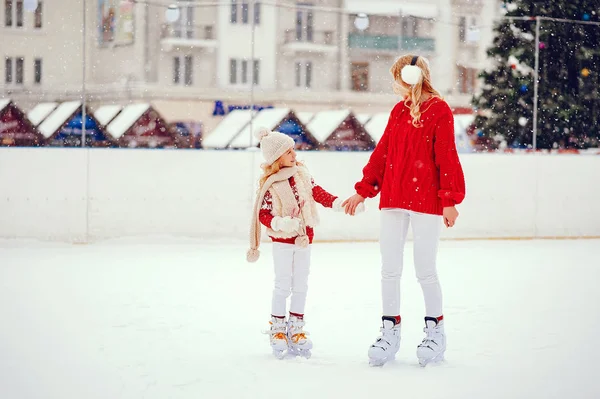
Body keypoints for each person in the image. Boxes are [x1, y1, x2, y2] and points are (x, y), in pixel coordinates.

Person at [342, 54, 466, 367]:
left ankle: (435, 332)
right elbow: (383, 152)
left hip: (426, 200)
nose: (395, 85)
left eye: (397, 78)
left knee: (425, 269)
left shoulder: (439, 110)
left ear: (411, 77)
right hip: (394, 198)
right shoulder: (398, 111)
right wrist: (364, 190)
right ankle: (390, 330)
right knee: (389, 269)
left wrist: (449, 200)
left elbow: (446, 156)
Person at [247, 128, 362, 359]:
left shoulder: (302, 175)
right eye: (287, 151)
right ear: (276, 157)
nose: (293, 153)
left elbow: (317, 193)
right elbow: (263, 214)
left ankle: (296, 327)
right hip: (282, 241)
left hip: (304, 239)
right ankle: (278, 328)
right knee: (282, 284)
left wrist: (340, 204)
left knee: (301, 284)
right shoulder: (270, 184)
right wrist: (280, 223)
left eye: (292, 149)